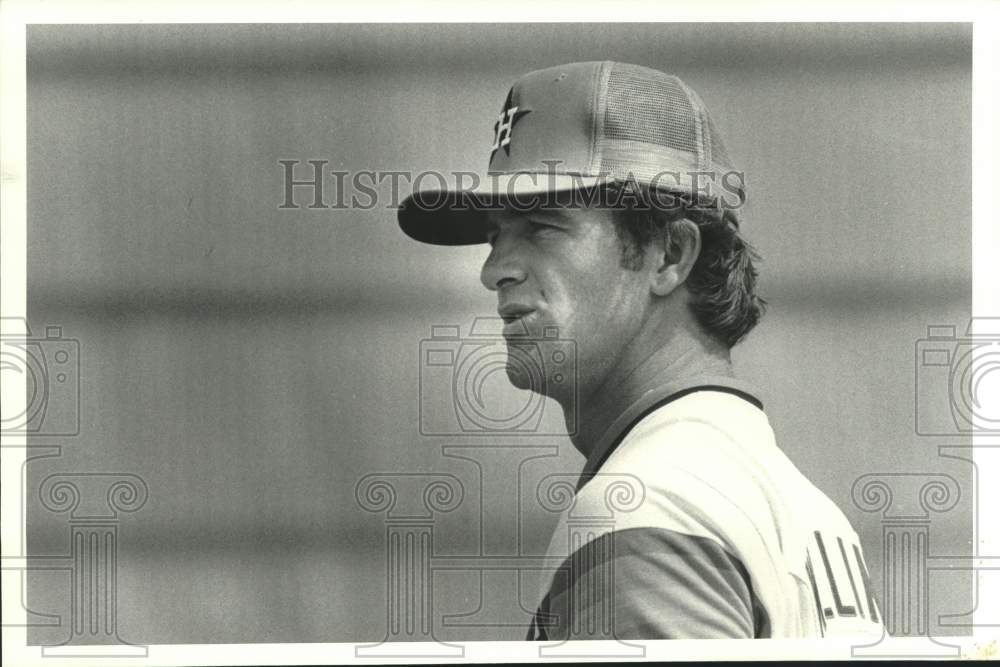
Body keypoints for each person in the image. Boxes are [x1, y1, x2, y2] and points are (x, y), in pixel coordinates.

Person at [398, 61, 884, 640]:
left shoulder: (646, 502)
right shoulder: (798, 503)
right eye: (496, 235)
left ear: (669, 254)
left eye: (542, 226)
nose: (494, 270)